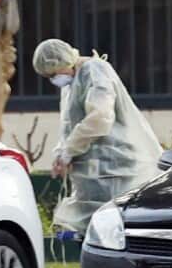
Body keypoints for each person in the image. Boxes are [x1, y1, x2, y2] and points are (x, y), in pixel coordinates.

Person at [32, 39, 163, 232]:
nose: (53, 79)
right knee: (97, 228)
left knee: (118, 225)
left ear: (63, 62)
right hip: (96, 170)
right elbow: (69, 125)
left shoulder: (95, 71)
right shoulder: (71, 83)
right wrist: (61, 153)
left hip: (119, 164)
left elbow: (100, 118)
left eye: (53, 74)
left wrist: (69, 151)